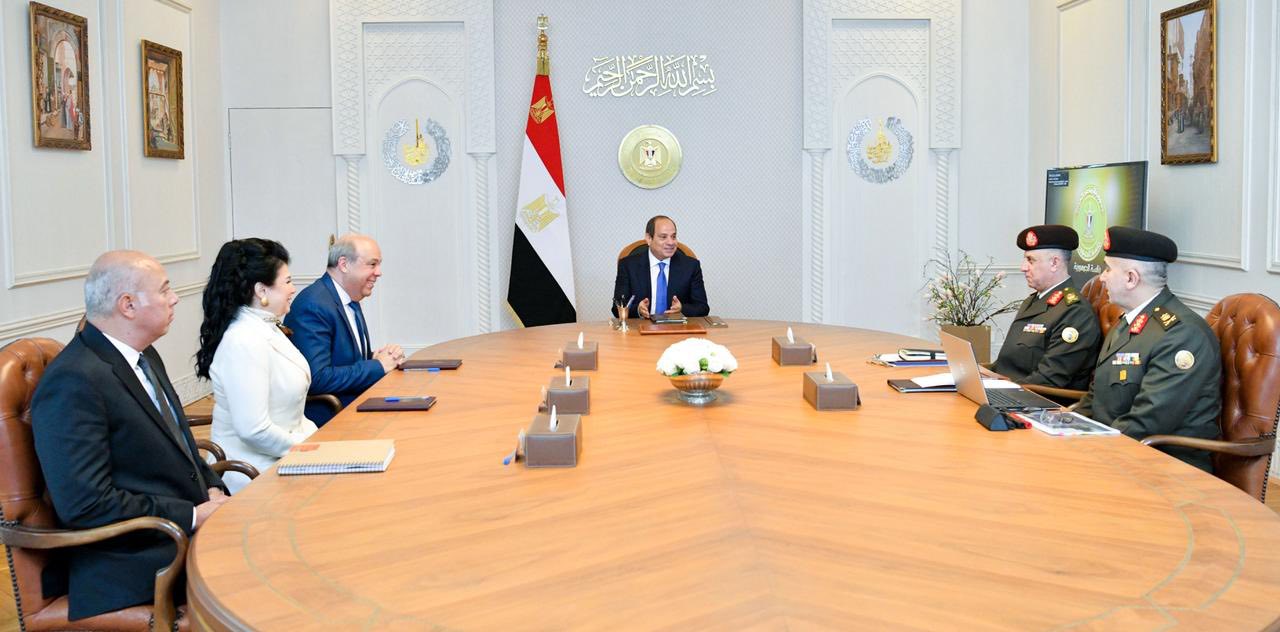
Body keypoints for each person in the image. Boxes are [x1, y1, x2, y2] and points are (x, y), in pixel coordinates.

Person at [30, 251, 228, 621]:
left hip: (178, 534)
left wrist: (213, 488)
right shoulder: (74, 381)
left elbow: (179, 446)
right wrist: (192, 515)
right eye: (164, 290)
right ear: (128, 305)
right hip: (135, 559)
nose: (175, 298)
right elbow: (86, 504)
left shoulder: (144, 355)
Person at [1075, 227, 1222, 472]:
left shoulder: (1182, 335)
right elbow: (1096, 399)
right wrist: (1063, 425)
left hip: (1164, 469)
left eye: (1108, 269)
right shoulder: (1129, 322)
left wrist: (1086, 449)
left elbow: (1147, 423)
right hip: (1116, 453)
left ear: (1131, 278)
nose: (1102, 278)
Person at [196, 239, 318, 493]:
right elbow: (254, 430)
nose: (293, 289)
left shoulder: (264, 326)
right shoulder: (243, 340)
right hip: (256, 475)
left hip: (287, 457)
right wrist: (309, 450)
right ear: (261, 290)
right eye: (287, 282)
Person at [284, 234, 405, 424]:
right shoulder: (313, 305)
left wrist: (376, 358)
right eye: (372, 264)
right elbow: (317, 378)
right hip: (332, 421)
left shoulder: (350, 298)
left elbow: (343, 359)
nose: (379, 272)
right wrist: (377, 366)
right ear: (344, 264)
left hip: (358, 409)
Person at [991, 225, 1101, 390]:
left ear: (1054, 263)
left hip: (1037, 400)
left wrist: (999, 389)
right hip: (1009, 391)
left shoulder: (1075, 312)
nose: (1023, 267)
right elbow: (1007, 363)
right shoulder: (1032, 301)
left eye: (1031, 260)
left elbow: (1049, 379)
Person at [611, 215, 710, 318]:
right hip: (641, 326)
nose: (671, 242)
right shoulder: (628, 266)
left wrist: (682, 308)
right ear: (649, 238)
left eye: (673, 236)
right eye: (663, 237)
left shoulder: (691, 266)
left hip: (677, 326)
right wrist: (637, 309)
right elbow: (617, 308)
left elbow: (703, 308)